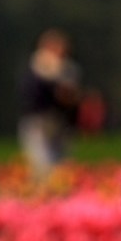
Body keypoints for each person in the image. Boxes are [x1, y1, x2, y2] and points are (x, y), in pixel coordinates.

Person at [18, 29, 81, 182]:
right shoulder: (36, 68)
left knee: (59, 164)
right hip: (39, 121)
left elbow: (73, 99)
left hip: (60, 123)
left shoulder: (69, 70)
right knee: (41, 163)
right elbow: (30, 96)